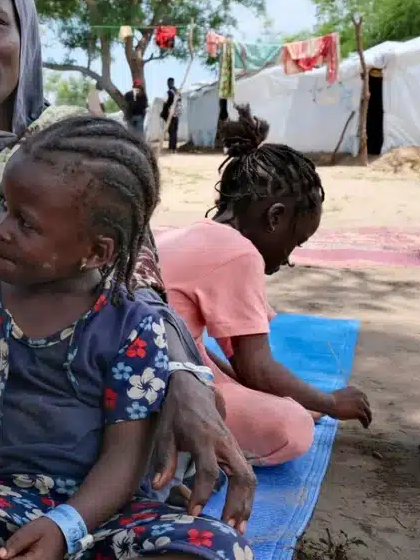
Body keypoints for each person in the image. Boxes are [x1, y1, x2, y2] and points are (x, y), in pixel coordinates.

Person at [0, 0, 256, 535]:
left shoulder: (75, 147)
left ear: (25, 33)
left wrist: (186, 378)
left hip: (93, 398)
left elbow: (135, 286)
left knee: (248, 431)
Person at [0, 116, 254, 560]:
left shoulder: (132, 326)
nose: (2, 230)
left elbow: (125, 460)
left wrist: (64, 527)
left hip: (103, 514)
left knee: (222, 548)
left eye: (26, 224)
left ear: (96, 251)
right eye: (4, 209)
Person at [155, 104, 372, 467]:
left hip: (136, 372)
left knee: (231, 374)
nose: (288, 258)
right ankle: (185, 451)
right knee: (292, 426)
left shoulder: (195, 235)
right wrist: (329, 404)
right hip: (157, 391)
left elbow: (218, 359)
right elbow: (256, 367)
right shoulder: (239, 254)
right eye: (294, 242)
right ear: (275, 217)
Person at [159, 77, 181, 152]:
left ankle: (171, 148)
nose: (168, 84)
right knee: (174, 131)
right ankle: (174, 148)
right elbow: (179, 103)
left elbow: (165, 103)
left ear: (169, 83)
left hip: (170, 114)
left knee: (171, 131)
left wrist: (163, 112)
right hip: (176, 115)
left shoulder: (168, 93)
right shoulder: (178, 92)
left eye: (169, 83)